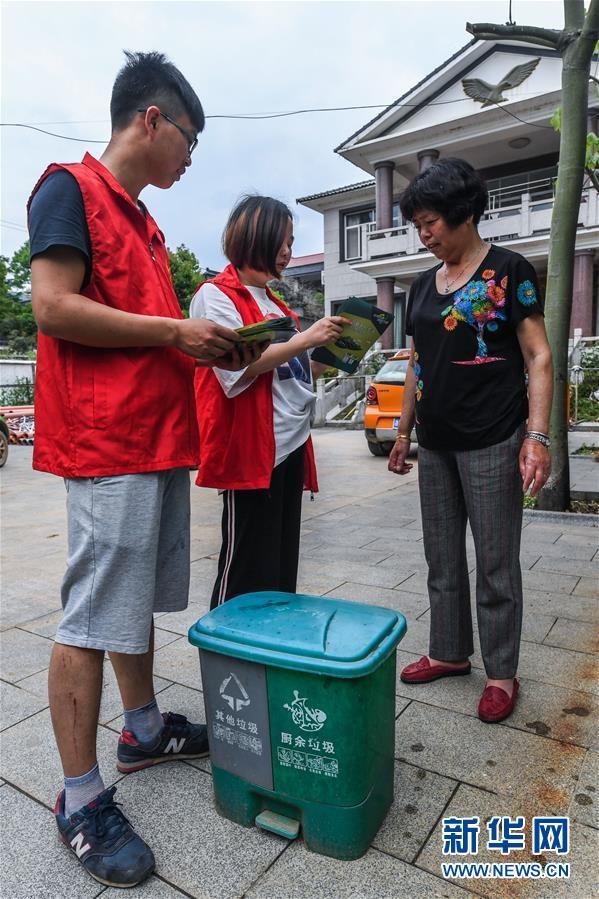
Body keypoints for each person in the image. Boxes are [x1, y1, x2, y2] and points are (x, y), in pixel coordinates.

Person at [28, 52, 263, 888]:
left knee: (130, 600)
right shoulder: (70, 189)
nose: (191, 158)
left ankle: (141, 726)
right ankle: (79, 796)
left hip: (154, 438)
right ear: (151, 121)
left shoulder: (144, 222)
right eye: (189, 139)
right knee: (93, 612)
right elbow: (51, 304)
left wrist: (202, 341)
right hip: (106, 443)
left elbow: (146, 327)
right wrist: (172, 333)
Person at [388, 158, 552, 724]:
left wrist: (536, 436)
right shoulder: (419, 285)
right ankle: (450, 652)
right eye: (418, 225)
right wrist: (402, 431)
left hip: (493, 438)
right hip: (435, 442)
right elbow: (416, 362)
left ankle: (501, 671)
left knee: (496, 561)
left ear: (464, 214)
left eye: (430, 222)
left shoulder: (510, 271)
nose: (423, 233)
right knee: (441, 556)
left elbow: (539, 355)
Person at [190, 195, 347, 605]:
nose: (287, 252)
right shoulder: (217, 295)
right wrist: (306, 338)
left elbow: (292, 373)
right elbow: (234, 370)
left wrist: (333, 355)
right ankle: (229, 657)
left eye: (291, 243)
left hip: (290, 445)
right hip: (253, 449)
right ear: (253, 236)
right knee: (244, 567)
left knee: (279, 567)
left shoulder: (274, 304)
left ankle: (269, 657)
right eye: (282, 241)